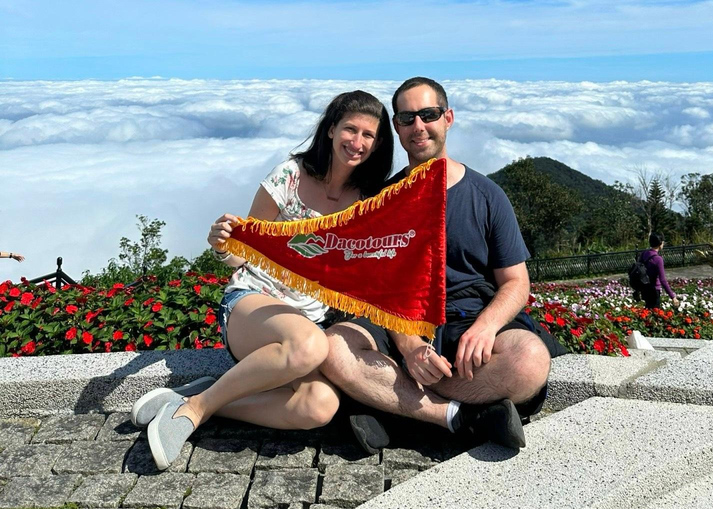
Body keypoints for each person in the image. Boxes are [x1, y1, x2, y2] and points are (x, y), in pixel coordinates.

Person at [131, 90, 394, 470]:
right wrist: (222, 245)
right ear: (331, 129)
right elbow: (245, 250)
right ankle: (193, 411)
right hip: (253, 303)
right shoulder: (290, 175)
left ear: (378, 142)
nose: (357, 142)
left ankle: (208, 397)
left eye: (368, 135)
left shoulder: (366, 200)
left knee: (319, 406)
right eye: (350, 129)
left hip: (307, 324)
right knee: (308, 345)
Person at [319, 77, 553, 454]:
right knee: (332, 347)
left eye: (428, 115)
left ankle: (393, 406)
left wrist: (486, 328)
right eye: (407, 118)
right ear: (396, 127)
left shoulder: (487, 196)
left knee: (529, 360)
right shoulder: (383, 200)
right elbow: (378, 289)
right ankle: (461, 416)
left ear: (447, 118)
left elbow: (515, 282)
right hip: (397, 321)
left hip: (467, 320)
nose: (418, 126)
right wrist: (409, 346)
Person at [637, 232, 679, 309]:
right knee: (655, 314)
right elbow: (662, 280)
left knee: (646, 312)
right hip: (654, 291)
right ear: (661, 243)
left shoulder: (644, 254)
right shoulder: (658, 259)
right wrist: (673, 297)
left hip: (645, 289)